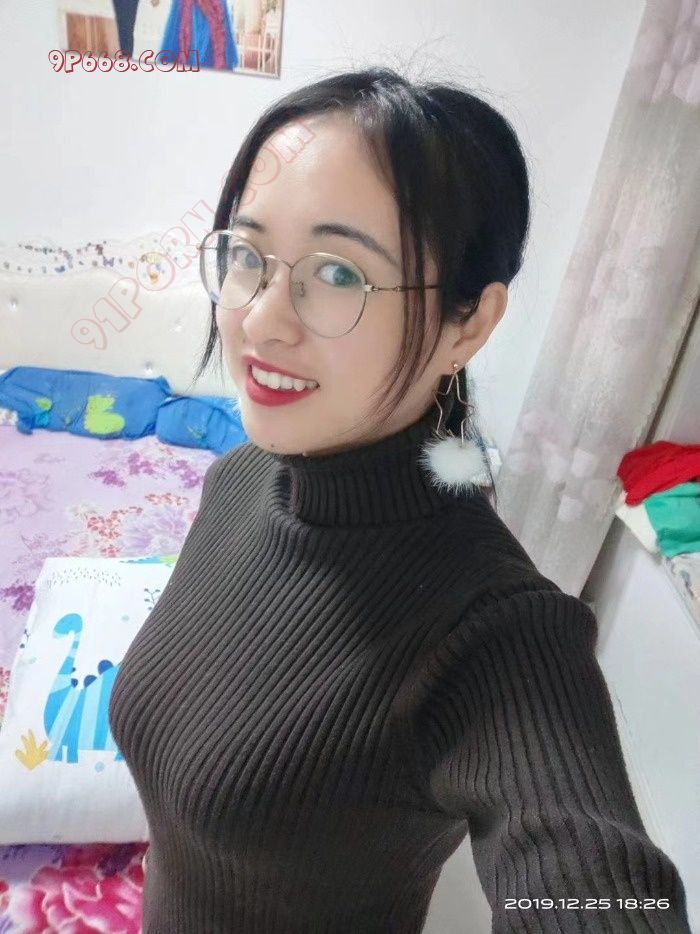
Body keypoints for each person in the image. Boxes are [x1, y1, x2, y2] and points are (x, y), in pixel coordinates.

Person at [108, 66, 692, 933]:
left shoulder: (495, 635)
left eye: (339, 273)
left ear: (470, 323)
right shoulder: (240, 477)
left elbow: (595, 887)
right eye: (248, 255)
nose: (262, 319)